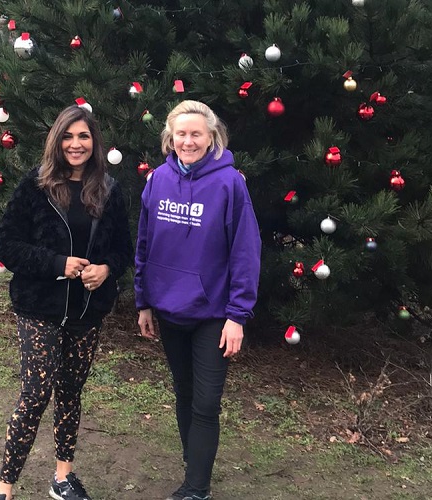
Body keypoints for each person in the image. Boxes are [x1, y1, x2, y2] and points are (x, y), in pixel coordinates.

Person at [0, 105, 133, 500]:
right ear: (57, 140)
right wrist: (56, 263)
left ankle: (63, 477)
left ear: (94, 142)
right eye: (68, 137)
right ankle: (5, 487)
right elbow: (6, 245)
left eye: (83, 136)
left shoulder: (108, 189)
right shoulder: (34, 186)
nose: (76, 144)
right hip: (40, 307)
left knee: (71, 391)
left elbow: (124, 247)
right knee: (35, 394)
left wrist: (106, 269)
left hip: (87, 311)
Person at [134, 100, 261, 500]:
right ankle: (196, 466)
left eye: (196, 134)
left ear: (211, 138)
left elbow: (245, 251)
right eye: (180, 134)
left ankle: (196, 488)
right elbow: (144, 244)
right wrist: (143, 302)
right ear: (169, 139)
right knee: (184, 394)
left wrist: (238, 315)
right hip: (169, 310)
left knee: (206, 402)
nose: (188, 141)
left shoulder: (230, 184)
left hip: (214, 315)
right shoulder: (156, 180)